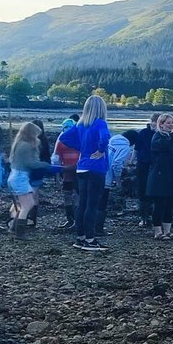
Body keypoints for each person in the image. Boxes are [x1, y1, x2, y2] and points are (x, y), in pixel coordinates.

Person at [57, 95, 111, 251]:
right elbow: (105, 137)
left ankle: (80, 238)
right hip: (96, 168)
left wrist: (82, 147)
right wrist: (100, 150)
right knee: (92, 205)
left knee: (82, 204)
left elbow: (64, 137)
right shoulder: (100, 123)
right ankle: (90, 239)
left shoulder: (80, 124)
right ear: (102, 108)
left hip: (81, 167)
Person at [8, 121, 54, 237]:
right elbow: (30, 163)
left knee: (26, 203)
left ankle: (14, 227)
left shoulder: (18, 143)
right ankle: (19, 233)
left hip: (15, 176)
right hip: (20, 177)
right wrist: (45, 165)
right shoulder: (27, 145)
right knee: (27, 205)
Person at [146, 113, 173, 240]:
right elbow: (164, 146)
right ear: (161, 124)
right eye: (168, 123)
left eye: (172, 123)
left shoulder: (172, 139)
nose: (171, 125)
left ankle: (167, 231)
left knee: (170, 204)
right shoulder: (157, 137)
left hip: (172, 176)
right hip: (159, 177)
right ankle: (158, 232)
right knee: (159, 205)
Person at [98, 128, 135, 235]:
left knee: (94, 201)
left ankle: (89, 228)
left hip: (98, 172)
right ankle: (99, 229)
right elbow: (117, 164)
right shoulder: (125, 147)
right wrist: (118, 180)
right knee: (102, 203)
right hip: (107, 177)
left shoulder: (112, 140)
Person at [133, 112, 161, 228]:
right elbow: (137, 148)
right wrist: (131, 160)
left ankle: (154, 217)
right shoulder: (143, 133)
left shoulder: (162, 134)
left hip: (157, 165)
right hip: (143, 164)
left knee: (156, 191)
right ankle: (143, 218)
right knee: (142, 190)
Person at [52, 118, 80, 230]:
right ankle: (72, 220)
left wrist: (57, 175)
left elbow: (56, 159)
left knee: (70, 196)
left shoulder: (62, 140)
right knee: (73, 196)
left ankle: (74, 220)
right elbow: (56, 158)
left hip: (71, 171)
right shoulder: (67, 140)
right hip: (71, 171)